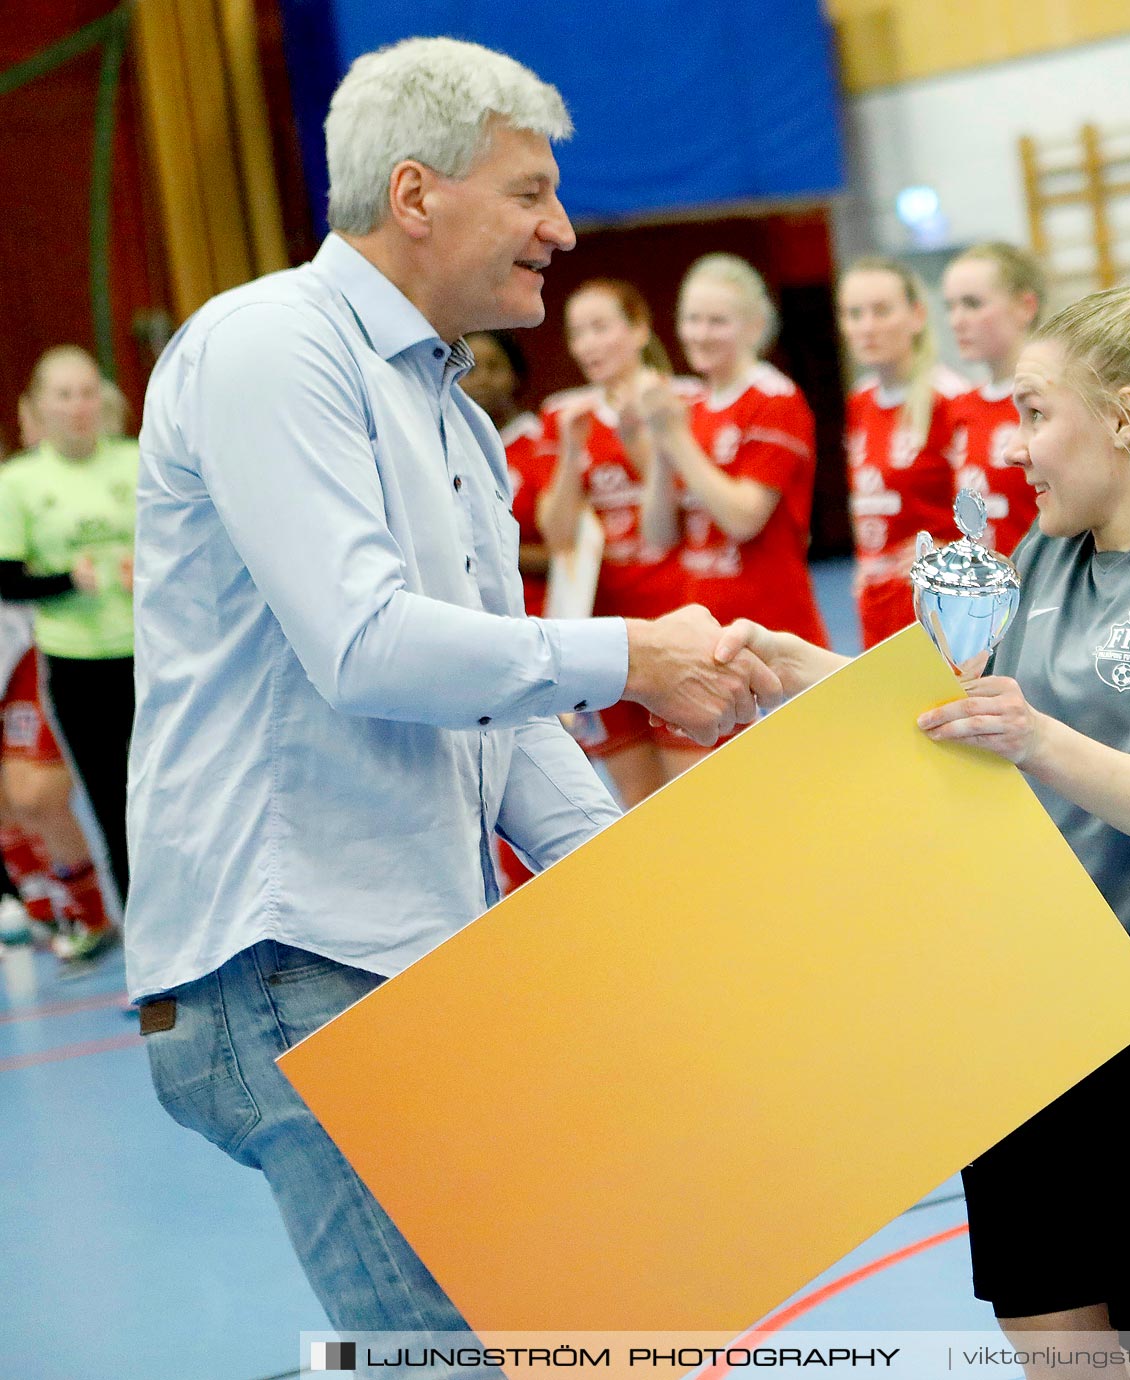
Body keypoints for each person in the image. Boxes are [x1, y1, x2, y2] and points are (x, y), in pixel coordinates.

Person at [127, 37, 778, 1340]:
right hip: (291, 966)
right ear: (416, 196)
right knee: (463, 1360)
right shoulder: (270, 349)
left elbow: (499, 707)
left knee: (555, 1337)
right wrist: (630, 656)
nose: (565, 226)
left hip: (404, 966)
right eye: (530, 192)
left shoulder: (451, 411)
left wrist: (641, 894)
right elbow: (367, 647)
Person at [716, 273, 1130, 1374]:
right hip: (1019, 1034)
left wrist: (1038, 735)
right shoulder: (1038, 559)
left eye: (1035, 413)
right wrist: (796, 669)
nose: (1016, 448)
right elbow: (953, 717)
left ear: (1126, 417)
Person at [634, 253, 828, 773]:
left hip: (772, 628)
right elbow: (657, 535)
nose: (700, 332)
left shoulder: (774, 399)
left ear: (755, 327)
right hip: (706, 630)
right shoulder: (691, 405)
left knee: (792, 790)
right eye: (691, 318)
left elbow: (744, 518)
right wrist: (660, 443)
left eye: (717, 320)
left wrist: (676, 438)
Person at [0, 346, 136, 960]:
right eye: (64, 395)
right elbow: (6, 579)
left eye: (87, 392)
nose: (78, 406)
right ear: (38, 409)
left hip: (154, 654)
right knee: (111, 801)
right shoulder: (21, 482)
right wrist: (63, 582)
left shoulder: (138, 462)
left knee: (175, 796)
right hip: (77, 662)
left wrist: (154, 570)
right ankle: (143, 940)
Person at [535, 278, 687, 805]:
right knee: (639, 807)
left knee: (693, 794)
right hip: (603, 629)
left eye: (601, 328)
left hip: (672, 611)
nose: (588, 345)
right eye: (578, 333)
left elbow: (679, 522)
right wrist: (570, 456)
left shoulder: (679, 399)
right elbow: (556, 535)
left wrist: (640, 442)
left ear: (639, 328)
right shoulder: (565, 414)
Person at [837, 256, 969, 646]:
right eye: (854, 314)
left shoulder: (951, 399)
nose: (866, 327)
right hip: (878, 605)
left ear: (916, 315)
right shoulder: (859, 402)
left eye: (881, 311)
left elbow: (995, 514)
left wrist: (946, 554)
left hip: (943, 608)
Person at [942, 242, 1046, 556]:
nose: (956, 321)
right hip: (991, 596)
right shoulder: (960, 407)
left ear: (1025, 307)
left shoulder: (1051, 399)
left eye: (973, 304)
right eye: (951, 306)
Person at [462, 329, 551, 615]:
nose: (483, 379)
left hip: (538, 612)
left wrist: (484, 554)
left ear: (515, 375)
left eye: (495, 367)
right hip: (469, 612)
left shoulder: (542, 444)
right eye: (471, 370)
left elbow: (569, 553)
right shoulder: (448, 445)